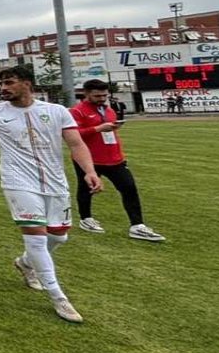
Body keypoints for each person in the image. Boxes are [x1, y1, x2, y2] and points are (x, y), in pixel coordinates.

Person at [0, 66, 102, 323]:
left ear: (27, 84)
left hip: (55, 182)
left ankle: (25, 263)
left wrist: (89, 171)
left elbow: (76, 143)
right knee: (36, 238)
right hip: (18, 181)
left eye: (9, 82)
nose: (4, 88)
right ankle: (58, 297)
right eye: (2, 83)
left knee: (59, 236)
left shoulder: (56, 111)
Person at [70, 80, 164, 242]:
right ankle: (86, 219)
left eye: (104, 95)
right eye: (97, 96)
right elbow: (74, 135)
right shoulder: (77, 111)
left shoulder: (108, 110)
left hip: (114, 158)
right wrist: (99, 128)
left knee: (129, 188)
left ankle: (137, 225)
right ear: (86, 94)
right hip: (89, 158)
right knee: (86, 189)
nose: (102, 98)